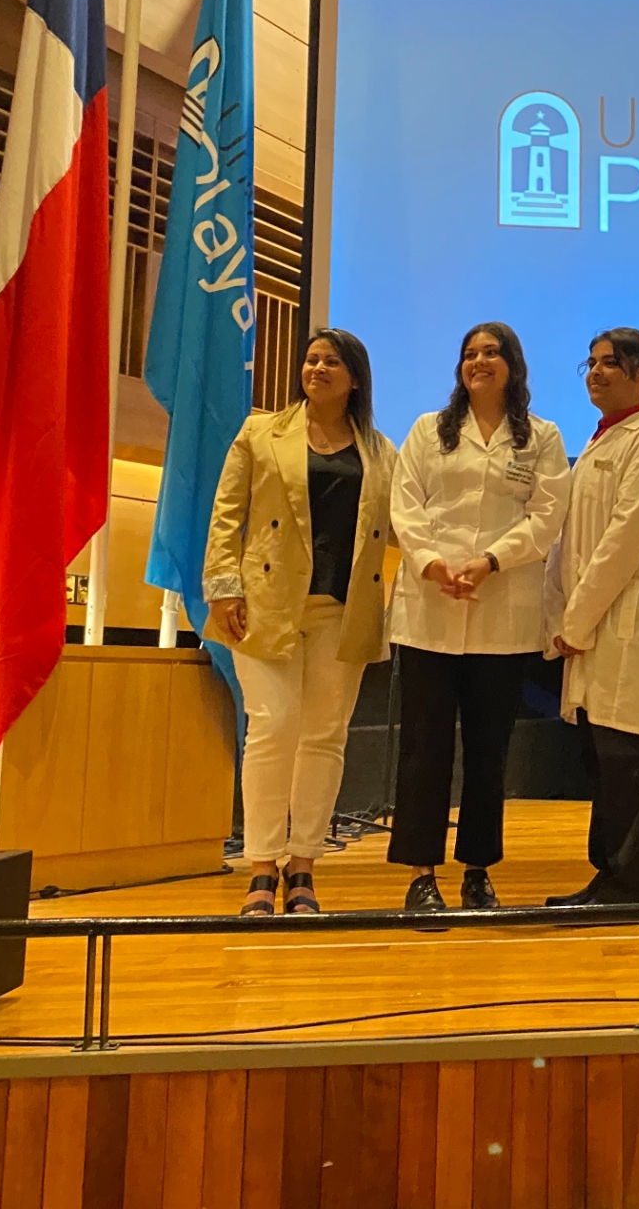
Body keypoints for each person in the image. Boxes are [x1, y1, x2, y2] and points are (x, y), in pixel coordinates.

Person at [203, 330, 397, 916]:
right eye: (311, 360)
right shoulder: (260, 433)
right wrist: (223, 589)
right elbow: (226, 513)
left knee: (325, 736)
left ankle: (304, 864)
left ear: (355, 378)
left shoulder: (380, 450)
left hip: (345, 608)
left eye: (331, 361)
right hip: (264, 603)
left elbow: (402, 523)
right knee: (272, 726)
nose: (317, 368)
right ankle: (262, 866)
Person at [388, 323, 570, 915]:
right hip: (430, 608)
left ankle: (477, 870)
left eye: (492, 353)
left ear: (513, 365)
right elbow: (405, 504)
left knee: (489, 751)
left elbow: (547, 517)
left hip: (502, 613)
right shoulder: (427, 430)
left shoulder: (540, 438)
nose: (479, 361)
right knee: (424, 748)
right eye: (470, 354)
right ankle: (421, 875)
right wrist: (432, 563)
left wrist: (491, 561)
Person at [543, 328, 639, 906]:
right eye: (592, 363)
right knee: (607, 759)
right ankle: (611, 876)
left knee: (631, 759)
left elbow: (623, 543)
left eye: (611, 363)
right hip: (596, 621)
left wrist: (576, 620)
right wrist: (561, 613)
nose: (596, 373)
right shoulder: (602, 440)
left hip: (626, 622)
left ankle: (635, 884)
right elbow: (572, 543)